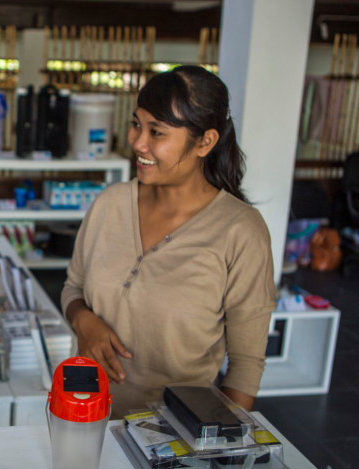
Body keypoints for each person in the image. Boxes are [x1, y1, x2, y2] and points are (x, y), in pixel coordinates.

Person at [61, 65, 277, 418]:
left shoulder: (241, 232)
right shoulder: (111, 203)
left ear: (205, 142)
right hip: (86, 417)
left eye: (156, 132)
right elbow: (73, 287)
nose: (137, 143)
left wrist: (215, 447)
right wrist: (84, 320)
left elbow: (246, 364)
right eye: (136, 124)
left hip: (173, 440)